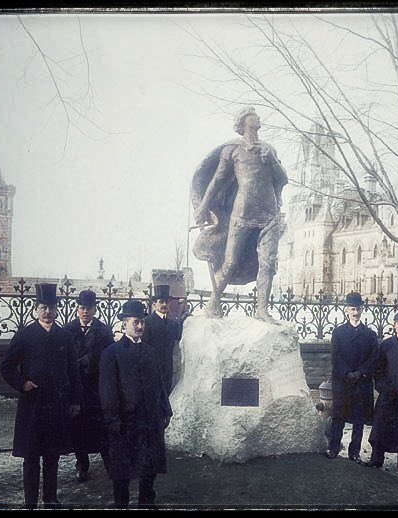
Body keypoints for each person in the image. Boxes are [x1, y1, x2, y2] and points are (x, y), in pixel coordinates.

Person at [191, 106, 288, 320]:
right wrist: (203, 206)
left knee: (267, 263)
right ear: (244, 121)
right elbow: (217, 180)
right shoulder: (232, 150)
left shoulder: (268, 149)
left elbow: (282, 179)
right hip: (242, 213)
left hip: (269, 214)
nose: (258, 117)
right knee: (230, 261)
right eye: (254, 115)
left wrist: (272, 159)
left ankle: (261, 309)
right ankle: (213, 303)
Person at [0, 283, 81, 510]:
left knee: (52, 455)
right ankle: (30, 503)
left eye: (52, 307)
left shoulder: (64, 336)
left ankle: (50, 499)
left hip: (57, 404)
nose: (48, 312)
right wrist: (21, 384)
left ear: (57, 309)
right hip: (32, 404)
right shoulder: (25, 335)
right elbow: (6, 366)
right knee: (32, 456)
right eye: (44, 307)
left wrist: (75, 401)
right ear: (36, 309)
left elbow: (73, 372)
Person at [99, 299, 172, 509]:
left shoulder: (151, 352)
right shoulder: (112, 353)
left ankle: (146, 502)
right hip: (125, 422)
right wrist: (112, 420)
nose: (139, 326)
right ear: (125, 324)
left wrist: (165, 411)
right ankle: (121, 504)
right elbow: (107, 390)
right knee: (122, 471)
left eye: (142, 322)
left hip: (149, 420)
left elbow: (159, 383)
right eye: (135, 322)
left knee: (149, 467)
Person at [65, 289, 114, 482]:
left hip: (96, 387)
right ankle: (82, 464)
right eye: (82, 308)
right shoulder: (68, 330)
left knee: (101, 426)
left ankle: (109, 463)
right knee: (77, 426)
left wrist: (89, 360)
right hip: (76, 387)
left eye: (89, 308)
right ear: (77, 309)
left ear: (95, 309)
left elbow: (108, 355)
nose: (85, 311)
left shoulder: (103, 330)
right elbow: (64, 356)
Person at [326, 291, 379, 463]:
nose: (355, 313)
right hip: (343, 382)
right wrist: (347, 372)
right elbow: (335, 356)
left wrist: (361, 372)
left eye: (358, 309)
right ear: (346, 310)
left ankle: (354, 452)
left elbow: (374, 358)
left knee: (359, 420)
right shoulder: (338, 332)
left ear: (362, 309)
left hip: (361, 382)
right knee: (339, 417)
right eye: (352, 309)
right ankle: (334, 448)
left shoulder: (370, 334)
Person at [366, 311, 398, 476]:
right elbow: (378, 371)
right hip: (388, 395)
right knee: (380, 427)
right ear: (394, 325)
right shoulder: (386, 345)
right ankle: (376, 459)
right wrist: (383, 388)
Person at [142, 284, 183, 395]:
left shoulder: (173, 324)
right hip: (151, 369)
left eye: (166, 302)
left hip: (167, 369)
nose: (164, 304)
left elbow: (178, 339)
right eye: (161, 302)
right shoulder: (147, 322)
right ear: (154, 304)